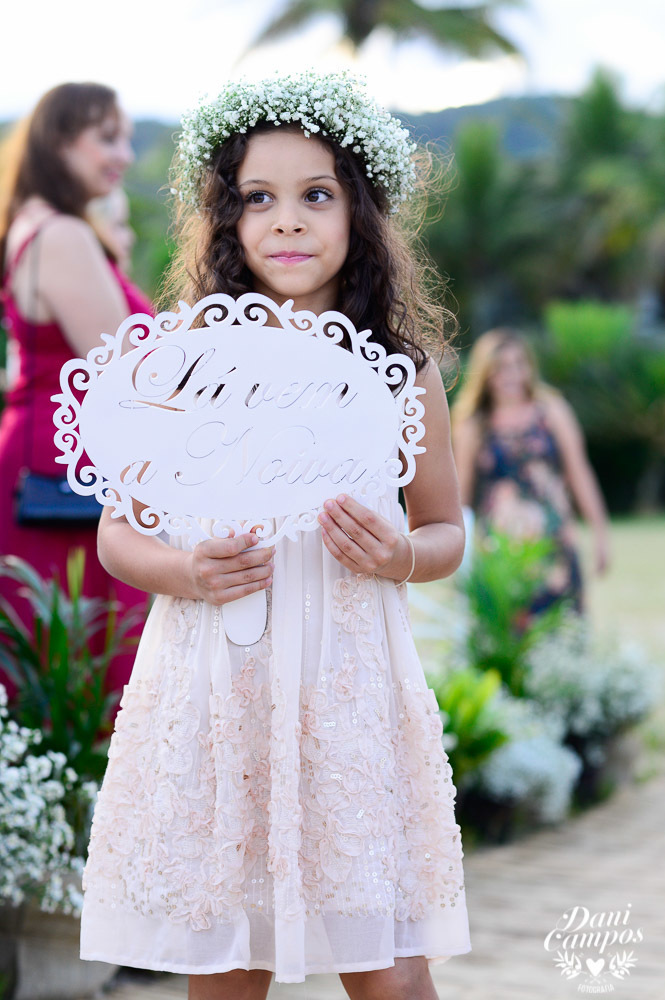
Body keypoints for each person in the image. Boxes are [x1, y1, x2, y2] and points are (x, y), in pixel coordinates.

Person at [79, 72, 471, 999]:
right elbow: (117, 537)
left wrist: (402, 556)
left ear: (360, 212)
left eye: (315, 196)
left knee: (391, 975)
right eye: (259, 198)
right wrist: (183, 567)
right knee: (229, 967)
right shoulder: (179, 368)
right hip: (222, 698)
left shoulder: (397, 375)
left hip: (346, 706)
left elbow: (447, 528)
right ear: (226, 219)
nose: (286, 221)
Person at [0, 83, 151, 705]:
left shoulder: (36, 225)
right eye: (108, 138)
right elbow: (131, 367)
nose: (125, 155)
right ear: (61, 141)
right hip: (65, 468)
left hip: (44, 451)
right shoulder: (61, 233)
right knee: (81, 657)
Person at [452, 327, 610, 613]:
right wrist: (456, 554)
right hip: (499, 552)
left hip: (555, 544)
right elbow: (461, 493)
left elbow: (580, 473)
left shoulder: (552, 410)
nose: (511, 374)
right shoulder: (473, 425)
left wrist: (600, 534)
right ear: (485, 373)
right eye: (501, 367)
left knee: (564, 636)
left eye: (518, 364)